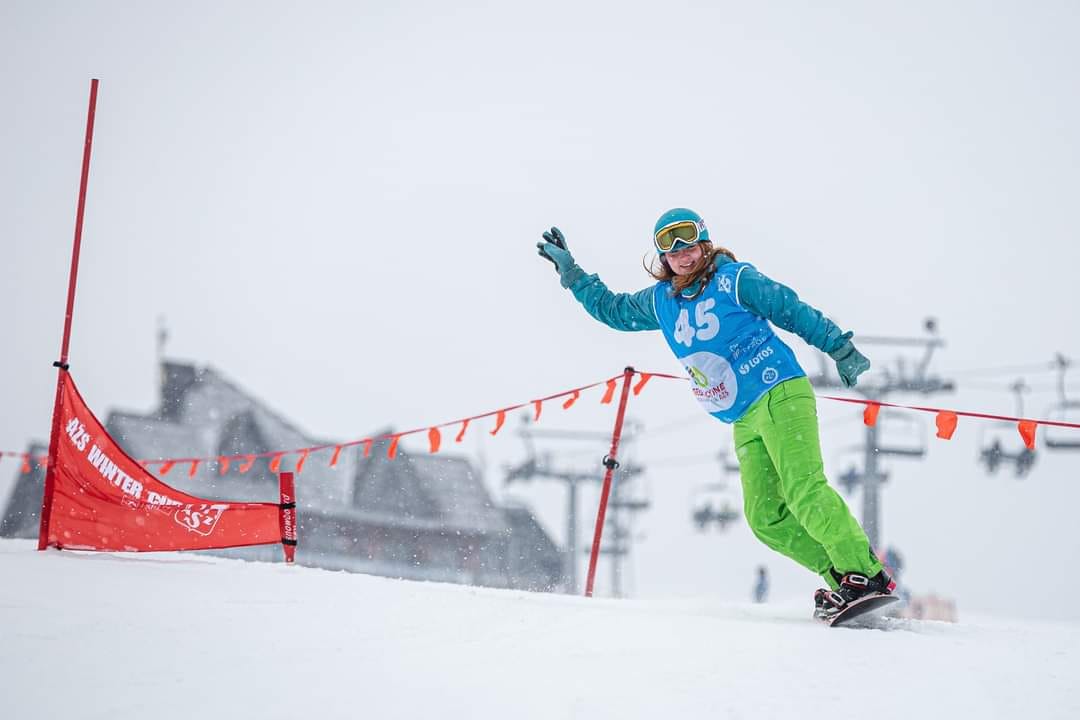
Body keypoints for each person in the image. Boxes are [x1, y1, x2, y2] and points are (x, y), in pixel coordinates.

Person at [536, 208, 894, 620]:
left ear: (705, 243)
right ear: (662, 259)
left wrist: (839, 348)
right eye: (672, 251)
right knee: (765, 517)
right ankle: (843, 578)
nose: (683, 256)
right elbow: (613, 310)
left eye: (689, 245)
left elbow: (789, 308)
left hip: (778, 391)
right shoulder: (661, 301)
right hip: (742, 417)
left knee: (804, 489)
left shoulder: (734, 280)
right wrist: (574, 276)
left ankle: (865, 573)